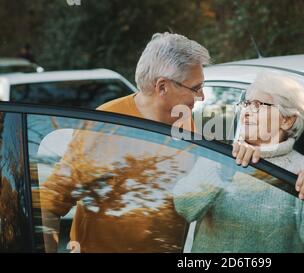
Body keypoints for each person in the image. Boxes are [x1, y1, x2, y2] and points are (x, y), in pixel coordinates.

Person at [36, 32, 211, 252]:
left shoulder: (187, 125)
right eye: (195, 88)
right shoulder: (105, 126)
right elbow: (50, 204)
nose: (202, 96)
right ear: (163, 87)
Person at [173, 71, 304, 252]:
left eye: (257, 105)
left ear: (287, 120)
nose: (245, 112)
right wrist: (223, 168)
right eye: (246, 104)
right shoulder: (220, 156)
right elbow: (183, 207)